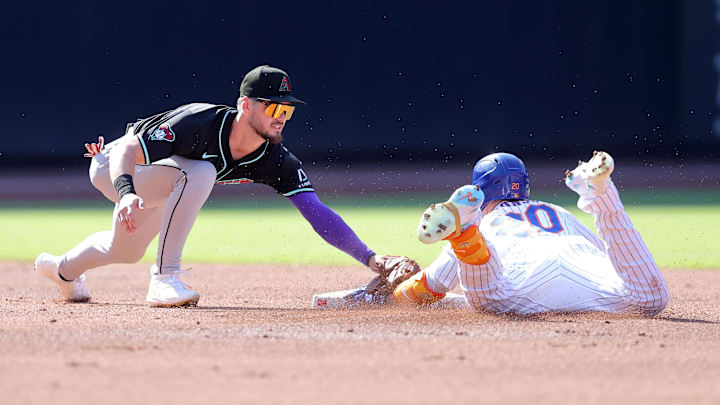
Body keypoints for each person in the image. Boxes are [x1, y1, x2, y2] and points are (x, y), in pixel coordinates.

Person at [34, 64, 412, 307]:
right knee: (199, 173)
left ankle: (62, 271)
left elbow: (316, 211)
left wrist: (371, 258)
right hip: (115, 165)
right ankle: (165, 278)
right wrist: (127, 192)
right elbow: (131, 149)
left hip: (164, 184)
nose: (282, 117)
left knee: (126, 249)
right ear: (246, 106)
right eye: (274, 107)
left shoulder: (274, 158)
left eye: (287, 110)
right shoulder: (201, 121)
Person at [389, 151, 670, 315]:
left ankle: (465, 235)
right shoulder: (557, 211)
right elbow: (611, 257)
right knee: (649, 300)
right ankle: (603, 195)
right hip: (588, 275)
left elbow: (430, 287)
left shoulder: (489, 222)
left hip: (526, 285)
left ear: (479, 192)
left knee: (487, 300)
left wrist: (397, 293)